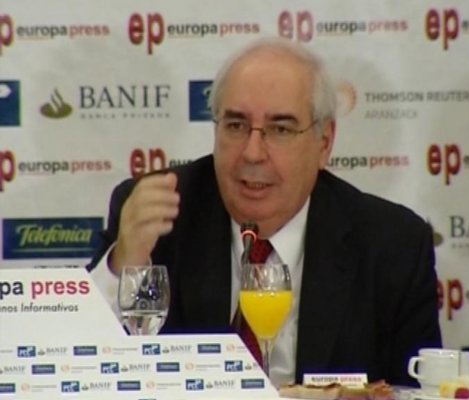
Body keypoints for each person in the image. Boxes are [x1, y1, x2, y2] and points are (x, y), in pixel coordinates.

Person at [87, 37, 442, 387]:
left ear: (324, 143)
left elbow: (418, 392)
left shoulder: (393, 246)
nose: (253, 153)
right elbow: (83, 365)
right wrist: (124, 263)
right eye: (236, 125)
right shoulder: (159, 217)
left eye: (280, 129)